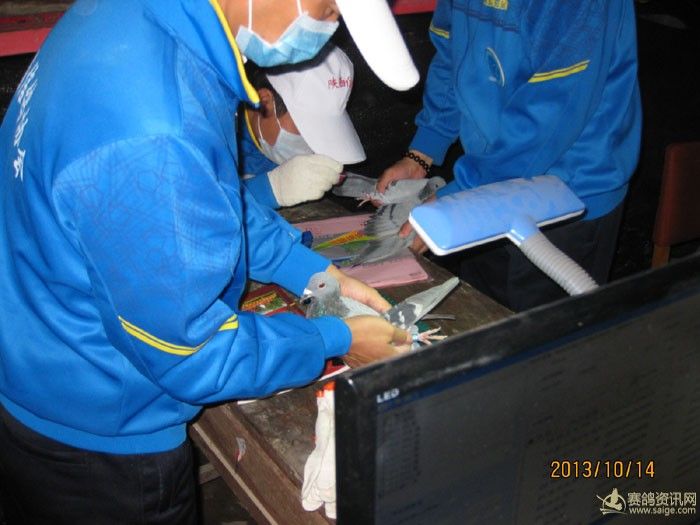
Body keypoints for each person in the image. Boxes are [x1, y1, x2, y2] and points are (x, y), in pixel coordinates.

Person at [0, 0, 417, 523]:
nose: (329, 27)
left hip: (37, 354)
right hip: (95, 437)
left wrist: (308, 268)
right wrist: (338, 339)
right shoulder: (154, 130)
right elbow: (193, 353)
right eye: (330, 7)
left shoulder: (146, 23)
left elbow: (204, 190)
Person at [378, 0, 642, 312]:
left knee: (542, 335)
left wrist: (465, 195)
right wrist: (422, 152)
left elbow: (552, 110)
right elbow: (452, 51)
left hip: (566, 195)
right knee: (482, 315)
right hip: (487, 181)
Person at [240, 45, 366, 209]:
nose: (313, 145)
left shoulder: (265, 141)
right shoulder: (213, 126)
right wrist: (271, 190)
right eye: (306, 125)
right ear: (265, 101)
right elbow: (208, 206)